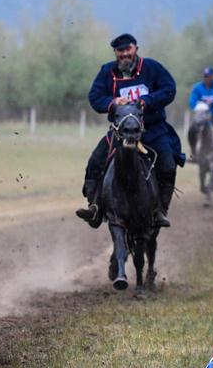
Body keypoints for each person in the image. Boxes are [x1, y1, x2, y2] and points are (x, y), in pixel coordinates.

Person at [75, 33, 185, 228]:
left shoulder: (152, 68)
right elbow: (94, 97)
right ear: (116, 53)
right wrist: (112, 102)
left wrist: (147, 101)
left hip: (153, 130)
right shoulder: (107, 72)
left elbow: (169, 89)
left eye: (128, 49)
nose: (124, 54)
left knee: (168, 164)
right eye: (120, 51)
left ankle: (160, 210)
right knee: (95, 161)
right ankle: (94, 208)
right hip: (120, 133)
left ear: (136, 49)